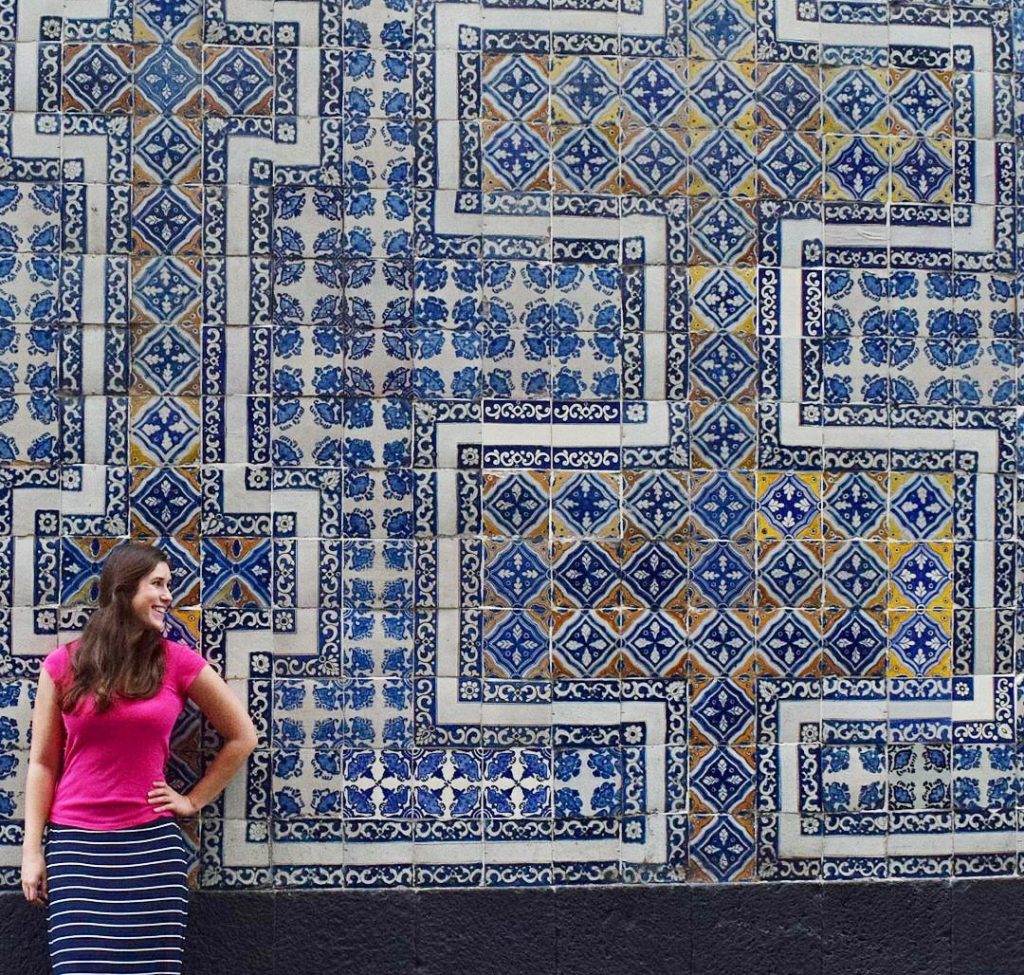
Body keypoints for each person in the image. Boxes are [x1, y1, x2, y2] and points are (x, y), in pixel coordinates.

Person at [19, 542, 258, 974]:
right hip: (76, 848)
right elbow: (42, 764)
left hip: (150, 850)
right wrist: (32, 851)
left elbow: (242, 736)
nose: (169, 596)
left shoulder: (176, 661)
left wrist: (192, 800)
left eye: (170, 585)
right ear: (123, 591)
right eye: (158, 584)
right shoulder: (62, 665)